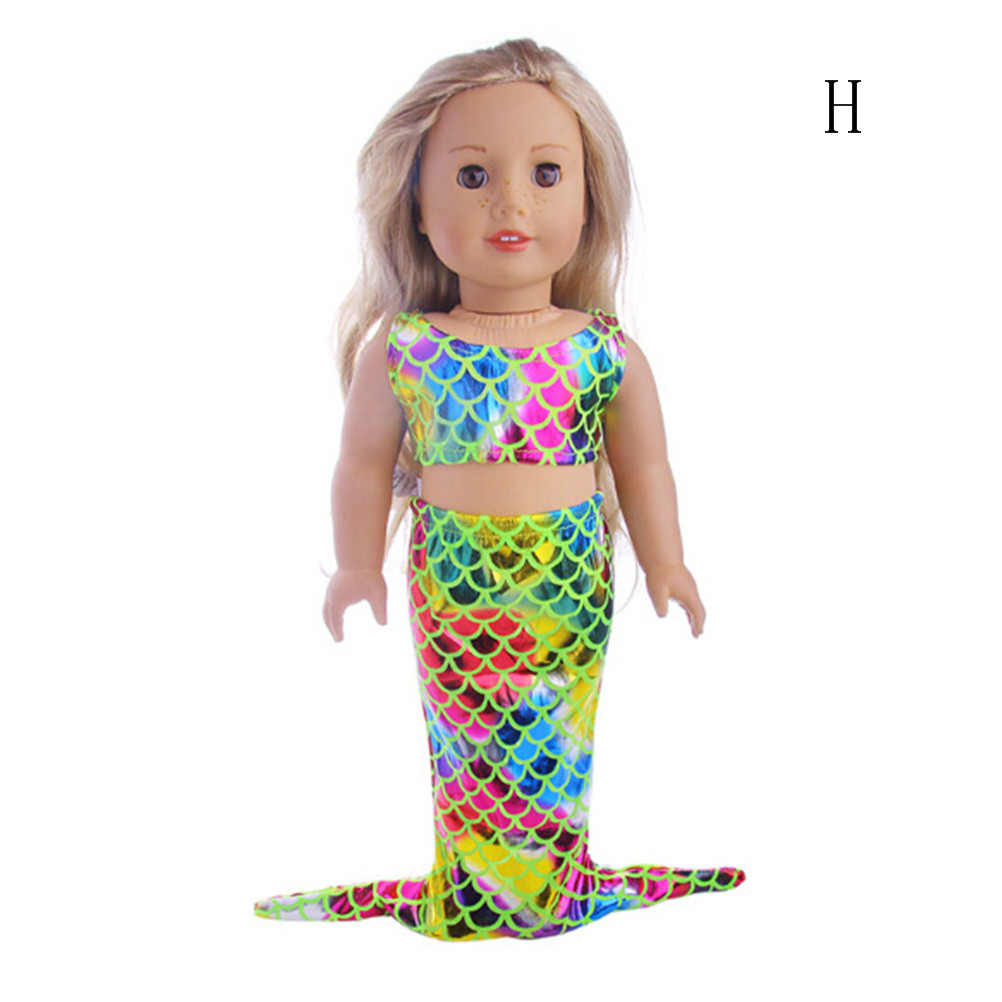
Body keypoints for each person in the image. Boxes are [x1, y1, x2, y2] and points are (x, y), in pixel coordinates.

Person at [254, 38, 745, 941]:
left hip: (567, 579)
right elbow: (361, 462)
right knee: (467, 735)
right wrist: (356, 565)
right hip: (454, 577)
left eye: (547, 173)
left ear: (590, 198)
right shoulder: (405, 346)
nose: (511, 201)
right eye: (473, 175)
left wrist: (666, 561)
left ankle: (555, 887)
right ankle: (471, 890)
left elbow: (646, 466)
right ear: (416, 201)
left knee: (557, 732)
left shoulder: (604, 349)